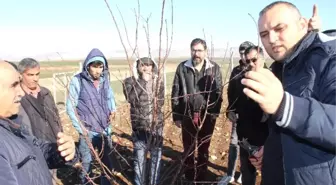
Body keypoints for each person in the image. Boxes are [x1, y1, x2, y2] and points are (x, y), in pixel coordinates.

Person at [242, 1, 336, 184]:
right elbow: (282, 131)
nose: (272, 39)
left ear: (302, 25)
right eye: (264, 34)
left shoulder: (329, 58)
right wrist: (270, 154)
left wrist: (285, 106)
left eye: (279, 28)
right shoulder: (281, 67)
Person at [0, 61, 78, 185]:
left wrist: (61, 150)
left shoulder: (12, 123)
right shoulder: (19, 108)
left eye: (37, 74)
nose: (20, 92)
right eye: (14, 85)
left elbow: (35, 148)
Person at [171, 38, 223, 182]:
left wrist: (214, 114)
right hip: (187, 115)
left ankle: (201, 177)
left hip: (207, 116)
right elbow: (176, 91)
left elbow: (219, 93)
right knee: (188, 148)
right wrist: (176, 116)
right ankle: (188, 177)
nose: (196, 53)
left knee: (204, 149)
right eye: (194, 50)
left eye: (199, 50)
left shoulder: (214, 68)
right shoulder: (182, 68)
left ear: (205, 52)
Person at [66, 48, 116, 185]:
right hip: (87, 131)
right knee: (87, 164)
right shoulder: (78, 81)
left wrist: (113, 110)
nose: (98, 70)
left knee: (107, 164)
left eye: (101, 67)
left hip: (104, 130)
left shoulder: (105, 80)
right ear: (88, 66)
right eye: (95, 66)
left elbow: (110, 98)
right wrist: (82, 129)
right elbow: (70, 107)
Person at [122, 57, 165, 185]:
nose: (146, 68)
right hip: (139, 126)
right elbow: (131, 99)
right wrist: (142, 82)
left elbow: (161, 101)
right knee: (139, 160)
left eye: (149, 65)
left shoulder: (158, 82)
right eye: (143, 65)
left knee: (155, 158)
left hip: (156, 126)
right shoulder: (129, 81)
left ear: (153, 67)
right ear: (138, 67)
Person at [219, 41, 254, 185]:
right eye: (240, 53)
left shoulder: (258, 69)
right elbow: (231, 92)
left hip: (253, 117)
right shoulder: (235, 70)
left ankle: (245, 174)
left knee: (249, 145)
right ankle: (230, 174)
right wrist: (230, 110)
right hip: (238, 114)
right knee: (234, 143)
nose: (243, 56)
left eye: (245, 52)